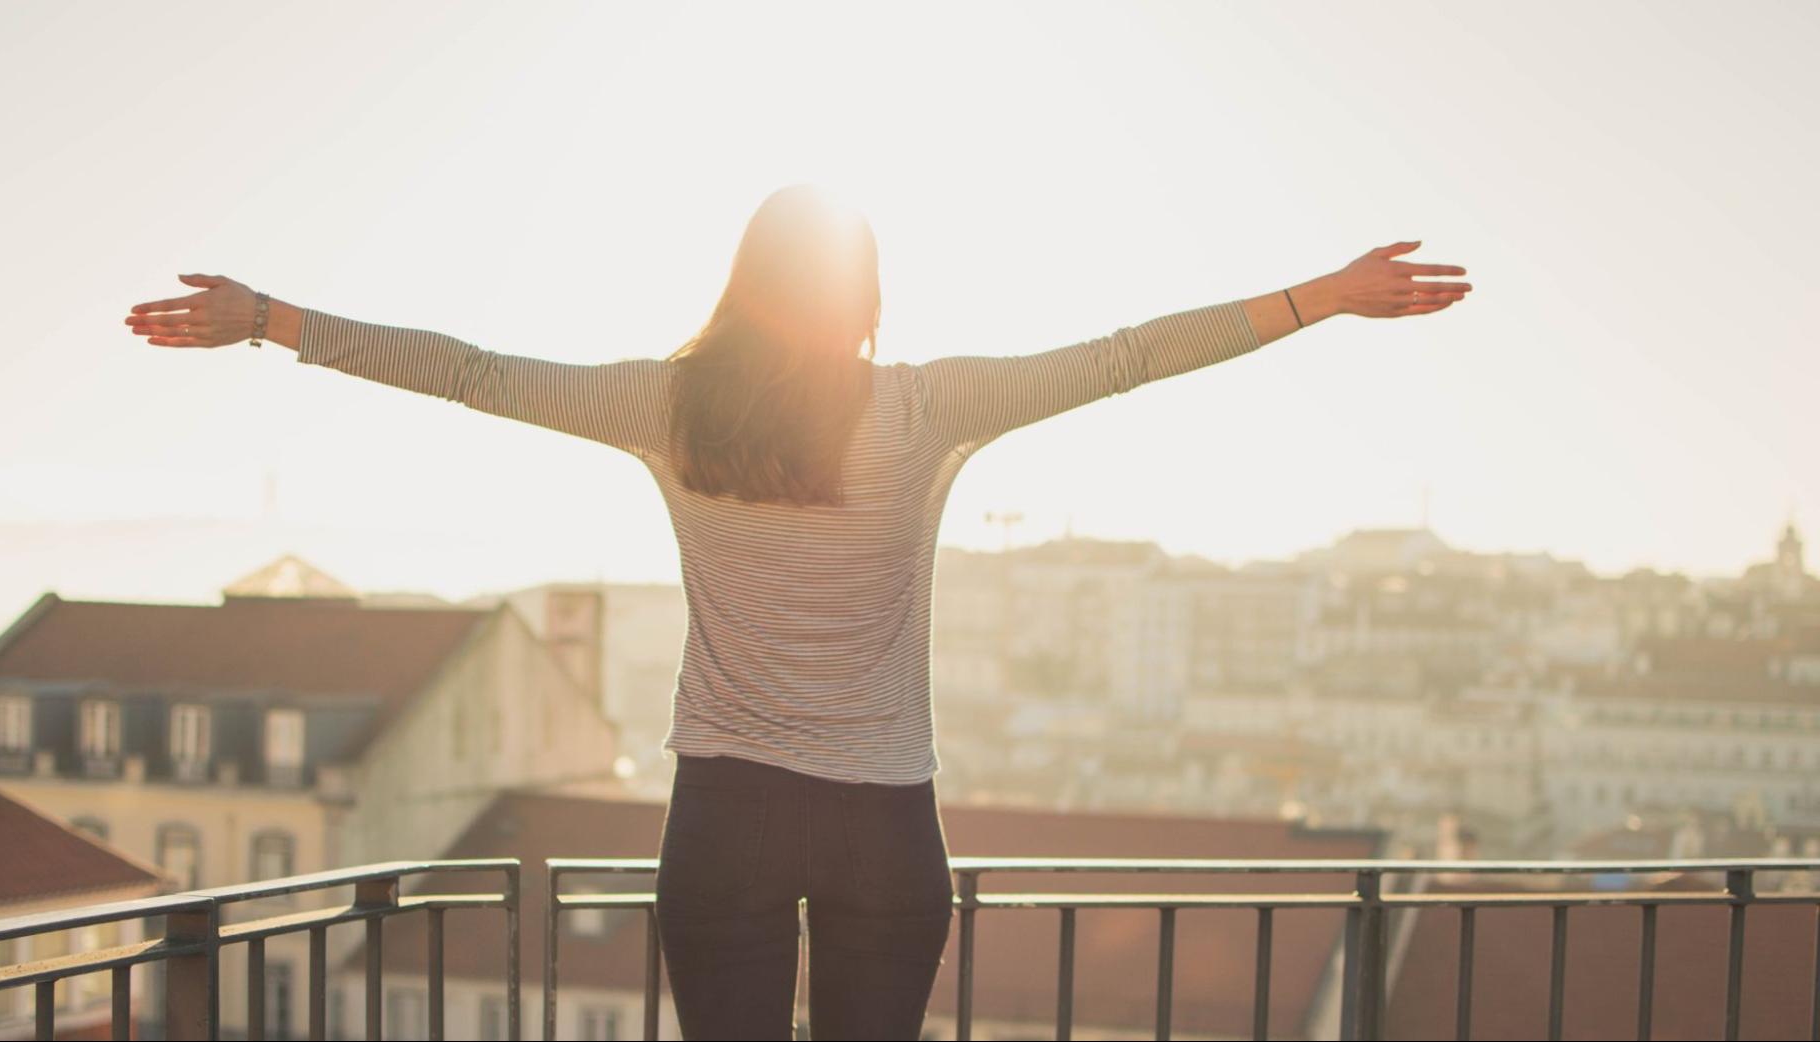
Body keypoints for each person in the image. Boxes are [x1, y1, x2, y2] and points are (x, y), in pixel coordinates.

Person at [125, 184, 1469, 1039]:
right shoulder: (926, 407)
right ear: (868, 298)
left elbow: (474, 374)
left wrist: (272, 320)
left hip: (726, 815)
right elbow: (1122, 359)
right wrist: (1323, 300)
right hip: (887, 821)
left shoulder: (667, 405)